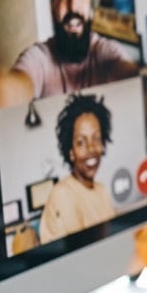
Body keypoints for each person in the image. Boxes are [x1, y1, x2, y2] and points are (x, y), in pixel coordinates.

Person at [0, 0, 140, 108]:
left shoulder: (106, 51)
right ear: (52, 7)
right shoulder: (39, 59)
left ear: (90, 5)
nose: (73, 6)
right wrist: (1, 90)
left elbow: (127, 73)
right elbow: (15, 87)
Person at [38, 93, 117, 244]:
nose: (91, 148)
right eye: (81, 142)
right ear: (71, 153)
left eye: (96, 138)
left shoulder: (102, 190)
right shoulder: (63, 194)